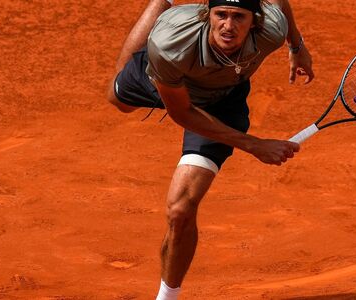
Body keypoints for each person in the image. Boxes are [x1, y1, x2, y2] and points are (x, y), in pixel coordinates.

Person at [105, 0, 314, 298]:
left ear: (254, 20)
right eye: (221, 15)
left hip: (221, 100)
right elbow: (183, 113)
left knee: (180, 210)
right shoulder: (170, 45)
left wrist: (297, 46)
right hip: (166, 81)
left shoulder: (272, 28)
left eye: (239, 17)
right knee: (117, 95)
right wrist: (255, 145)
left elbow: (277, 3)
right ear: (208, 14)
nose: (229, 26)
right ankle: (161, 3)